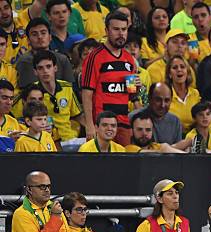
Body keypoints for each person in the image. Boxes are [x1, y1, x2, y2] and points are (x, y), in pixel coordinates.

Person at [81, 10, 136, 146]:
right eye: (116, 29)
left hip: (123, 123)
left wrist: (137, 87)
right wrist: (89, 125)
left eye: (124, 29)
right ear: (106, 30)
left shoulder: (130, 60)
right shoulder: (94, 56)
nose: (121, 33)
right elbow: (87, 93)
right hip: (102, 123)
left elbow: (131, 94)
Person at [32, 50, 85, 148]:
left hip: (69, 140)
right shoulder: (32, 92)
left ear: (55, 68)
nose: (45, 71)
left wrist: (93, 130)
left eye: (48, 66)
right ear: (35, 72)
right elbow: (22, 119)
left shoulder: (67, 88)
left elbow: (78, 115)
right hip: (45, 142)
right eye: (40, 68)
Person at [16, 18, 75, 89]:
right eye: (34, 34)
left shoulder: (62, 59)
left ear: (50, 37)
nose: (40, 37)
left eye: (43, 33)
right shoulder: (24, 61)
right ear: (28, 40)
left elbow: (69, 88)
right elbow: (27, 91)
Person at [125, 109, 189, 153]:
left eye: (148, 130)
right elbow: (142, 154)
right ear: (131, 131)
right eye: (139, 129)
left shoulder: (157, 146)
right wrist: (165, 150)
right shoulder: (128, 149)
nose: (144, 133)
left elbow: (171, 148)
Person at [166, 55, 201, 132]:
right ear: (169, 74)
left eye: (182, 67)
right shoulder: (165, 95)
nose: (179, 70)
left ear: (187, 72)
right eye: (175, 67)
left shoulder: (195, 93)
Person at [0, 0, 30, 66]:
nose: (3, 12)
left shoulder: (22, 19)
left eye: (6, 7)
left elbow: (40, 3)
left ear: (11, 9)